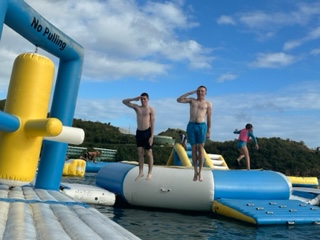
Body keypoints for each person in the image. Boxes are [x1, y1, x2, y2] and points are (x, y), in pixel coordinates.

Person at [177, 86, 212, 182]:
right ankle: (195, 171)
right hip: (191, 125)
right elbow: (179, 100)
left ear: (205, 93)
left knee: (201, 149)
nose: (200, 92)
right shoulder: (192, 101)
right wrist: (190, 92)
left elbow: (209, 118)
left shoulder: (208, 104)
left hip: (201, 126)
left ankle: (200, 171)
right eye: (199, 91)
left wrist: (208, 130)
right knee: (193, 148)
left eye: (202, 91)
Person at [122, 92, 155, 181]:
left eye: (144, 99)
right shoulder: (137, 108)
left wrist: (151, 136)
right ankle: (141, 172)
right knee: (140, 153)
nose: (143, 100)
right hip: (139, 132)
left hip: (147, 132)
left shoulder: (151, 110)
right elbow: (124, 102)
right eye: (141, 99)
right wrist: (134, 98)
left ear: (148, 99)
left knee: (149, 153)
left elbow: (152, 123)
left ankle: (150, 172)